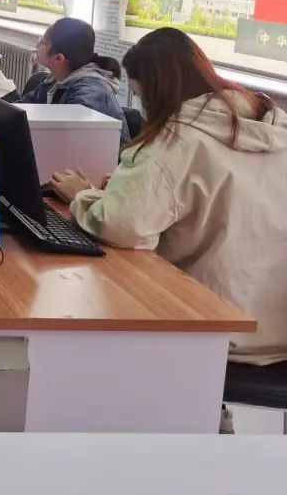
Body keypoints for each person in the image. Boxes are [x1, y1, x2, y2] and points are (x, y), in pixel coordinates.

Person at [50, 28, 287, 366]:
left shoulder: (175, 140)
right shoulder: (270, 127)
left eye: (139, 95)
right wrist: (130, 189)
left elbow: (121, 225)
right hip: (275, 334)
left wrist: (82, 194)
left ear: (155, 91)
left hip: (216, 333)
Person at [20, 17, 130, 143]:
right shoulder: (54, 81)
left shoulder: (90, 92)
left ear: (58, 59)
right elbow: (19, 111)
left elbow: (68, 140)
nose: (37, 45)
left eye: (43, 42)